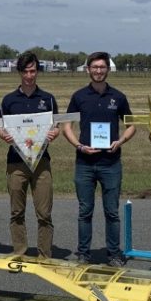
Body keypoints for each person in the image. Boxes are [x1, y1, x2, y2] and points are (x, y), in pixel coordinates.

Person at [62, 52, 135, 265]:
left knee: (111, 212)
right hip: (84, 163)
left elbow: (131, 125)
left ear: (108, 70)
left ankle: (113, 254)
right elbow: (67, 125)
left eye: (102, 67)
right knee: (85, 211)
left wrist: (120, 141)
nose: (98, 71)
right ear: (88, 70)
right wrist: (78, 145)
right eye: (94, 67)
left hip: (110, 164)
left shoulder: (118, 97)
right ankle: (84, 253)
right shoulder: (78, 97)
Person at [0, 52, 60, 259]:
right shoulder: (9, 100)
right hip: (16, 162)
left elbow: (56, 126)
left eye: (33, 71)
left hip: (41, 162)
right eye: (25, 71)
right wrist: (3, 135)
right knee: (17, 212)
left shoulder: (48, 99)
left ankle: (44, 255)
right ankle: (20, 253)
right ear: (19, 72)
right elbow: (0, 127)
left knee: (44, 213)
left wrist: (55, 132)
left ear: (37, 71)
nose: (29, 75)